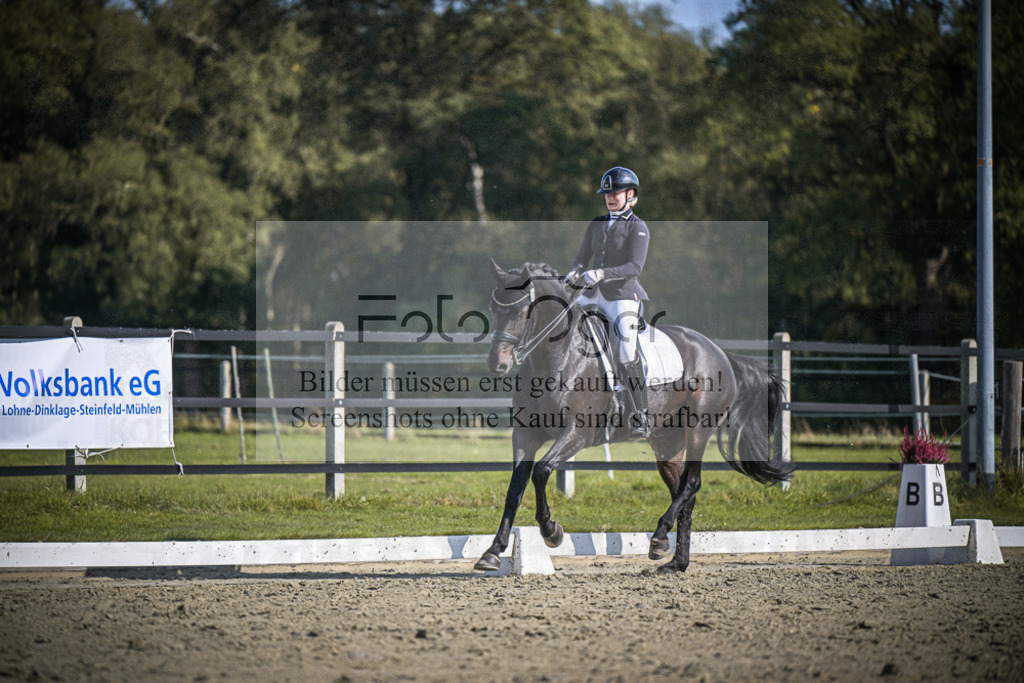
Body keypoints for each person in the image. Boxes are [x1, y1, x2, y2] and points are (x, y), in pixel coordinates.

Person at [565, 166, 651, 437]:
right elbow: (582, 257)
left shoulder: (637, 227)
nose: (610, 197)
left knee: (625, 350)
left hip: (622, 296)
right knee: (565, 329)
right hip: (593, 294)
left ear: (630, 195)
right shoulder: (597, 223)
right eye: (607, 193)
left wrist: (602, 273)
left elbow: (634, 267)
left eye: (616, 193)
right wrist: (573, 272)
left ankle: (640, 413)